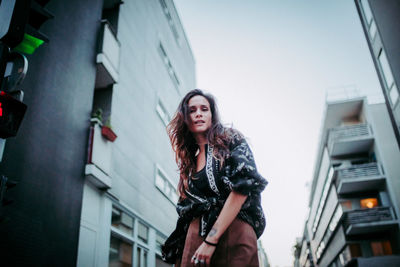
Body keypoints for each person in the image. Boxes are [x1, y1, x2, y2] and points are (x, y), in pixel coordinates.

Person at [162, 89, 268, 267]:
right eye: (192, 110)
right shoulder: (189, 164)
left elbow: (245, 184)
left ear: (212, 115)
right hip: (195, 242)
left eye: (204, 109)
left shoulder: (231, 139)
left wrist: (211, 241)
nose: (198, 114)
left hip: (235, 232)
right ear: (185, 118)